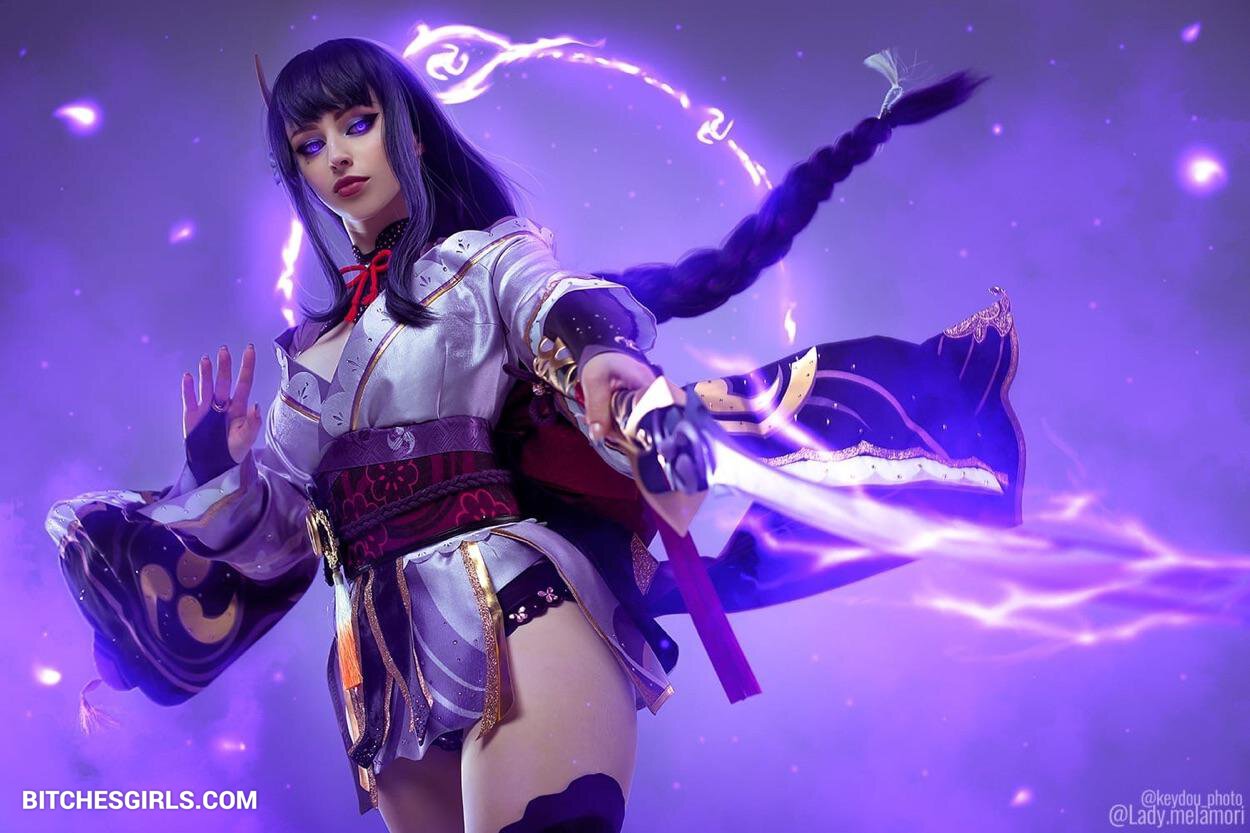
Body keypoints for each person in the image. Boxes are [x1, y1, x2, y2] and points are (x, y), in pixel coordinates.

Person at [45, 38, 1023, 833]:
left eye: (356, 123)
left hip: (508, 601)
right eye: (310, 142)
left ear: (409, 132)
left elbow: (555, 305)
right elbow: (277, 539)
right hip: (379, 669)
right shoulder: (306, 364)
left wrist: (600, 362)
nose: (336, 154)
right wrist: (216, 469)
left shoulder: (483, 260)